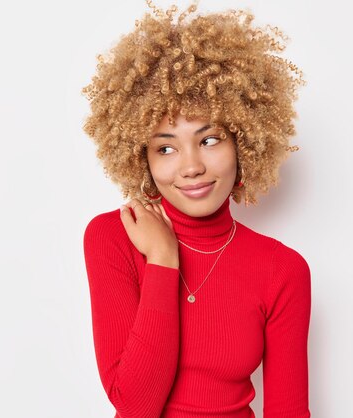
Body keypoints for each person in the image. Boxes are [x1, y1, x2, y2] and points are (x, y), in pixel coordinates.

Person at [80, 1, 311, 417]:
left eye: (209, 140)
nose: (191, 167)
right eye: (165, 147)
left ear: (245, 141)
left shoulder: (283, 269)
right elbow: (135, 405)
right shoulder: (114, 237)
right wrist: (163, 259)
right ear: (141, 158)